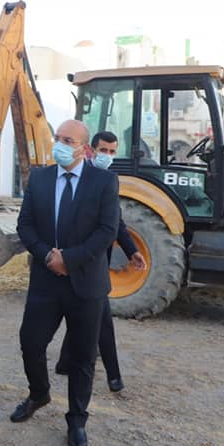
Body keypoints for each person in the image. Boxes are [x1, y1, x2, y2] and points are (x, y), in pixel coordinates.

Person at [11, 119, 119, 446]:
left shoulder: (104, 180)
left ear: (84, 148)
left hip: (86, 283)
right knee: (31, 342)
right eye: (57, 138)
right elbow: (24, 225)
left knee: (83, 357)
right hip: (46, 280)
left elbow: (106, 230)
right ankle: (39, 392)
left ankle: (76, 421)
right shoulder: (40, 178)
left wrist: (69, 259)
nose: (59, 144)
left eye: (67, 140)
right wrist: (47, 256)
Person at [55, 130, 147, 392]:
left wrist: (131, 250)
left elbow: (115, 222)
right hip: (69, 259)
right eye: (102, 150)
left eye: (111, 151)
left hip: (94, 264)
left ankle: (105, 373)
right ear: (89, 150)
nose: (106, 156)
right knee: (95, 319)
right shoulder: (72, 175)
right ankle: (111, 375)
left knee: (95, 318)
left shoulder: (107, 180)